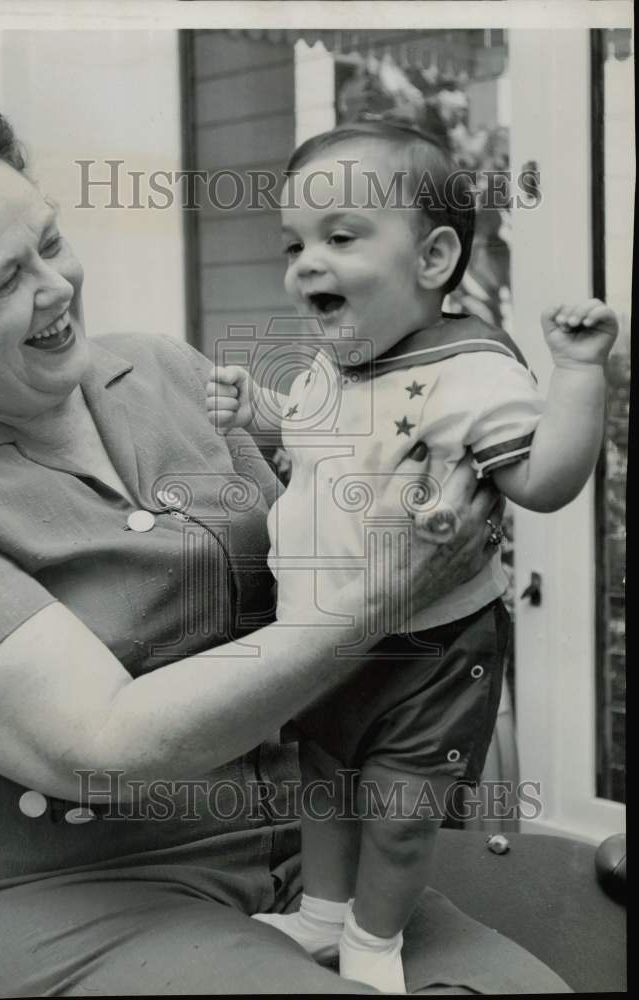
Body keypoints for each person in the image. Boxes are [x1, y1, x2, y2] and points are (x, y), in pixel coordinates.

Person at [0, 102, 570, 999]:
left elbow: (316, 540)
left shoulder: (163, 372)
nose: (54, 289)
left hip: (310, 852)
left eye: (50, 244)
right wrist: (380, 598)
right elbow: (102, 745)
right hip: (75, 894)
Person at [207, 120, 617, 993]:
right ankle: (322, 913)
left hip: (430, 652)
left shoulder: (472, 373)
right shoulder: (335, 362)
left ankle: (373, 942)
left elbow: (543, 481)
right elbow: (318, 438)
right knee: (322, 782)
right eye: (294, 244)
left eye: (340, 237)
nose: (305, 262)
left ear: (432, 260)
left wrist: (578, 375)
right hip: (324, 636)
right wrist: (258, 414)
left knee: (397, 813)